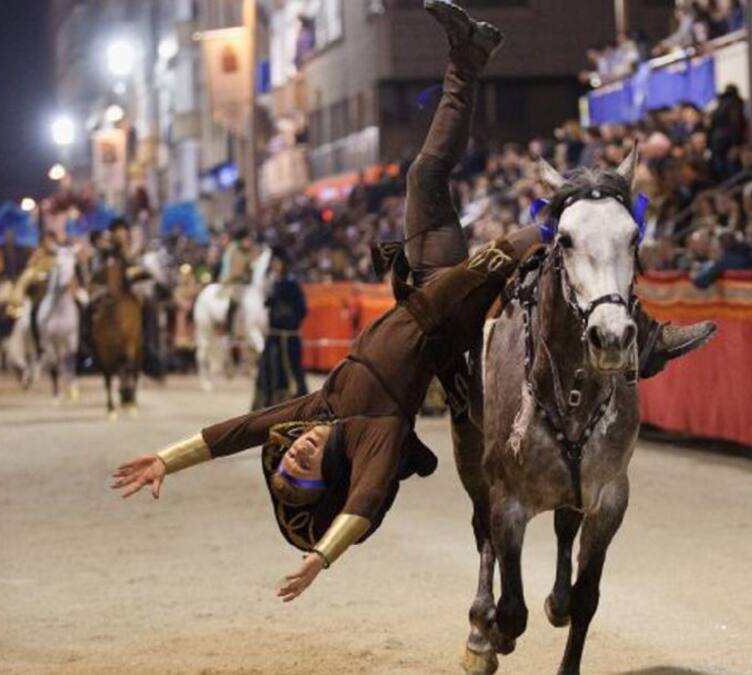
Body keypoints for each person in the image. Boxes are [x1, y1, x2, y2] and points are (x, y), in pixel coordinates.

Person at [112, 1, 715, 604]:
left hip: (425, 290)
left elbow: (240, 430)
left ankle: (468, 56)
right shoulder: (376, 438)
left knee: (424, 175)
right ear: (329, 472)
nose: (294, 452)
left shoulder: (321, 407)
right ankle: (647, 336)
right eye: (303, 469)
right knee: (563, 257)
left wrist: (169, 459)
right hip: (442, 319)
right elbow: (367, 504)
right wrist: (323, 556)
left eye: (285, 461)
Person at [252, 246, 309, 410]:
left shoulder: (291, 284)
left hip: (287, 339)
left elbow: (302, 310)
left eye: (278, 262)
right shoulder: (273, 283)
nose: (275, 265)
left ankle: (290, 409)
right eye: (273, 262)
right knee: (268, 375)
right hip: (273, 338)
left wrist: (286, 317)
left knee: (290, 376)